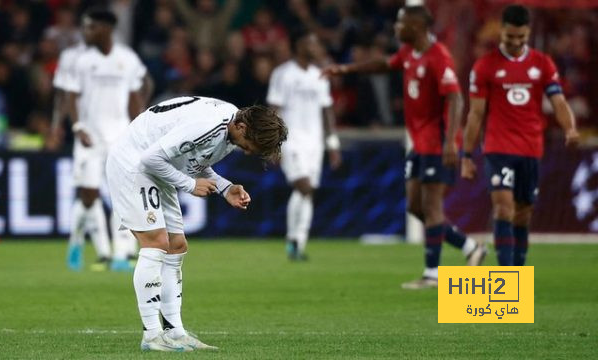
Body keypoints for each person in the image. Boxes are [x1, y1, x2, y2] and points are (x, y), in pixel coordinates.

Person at [105, 96, 287, 351]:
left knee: (176, 245)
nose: (247, 151)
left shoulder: (230, 126)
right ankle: (152, 335)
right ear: (243, 128)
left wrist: (225, 188)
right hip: (134, 163)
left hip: (157, 166)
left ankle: (175, 332)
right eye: (249, 145)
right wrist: (189, 185)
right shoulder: (210, 125)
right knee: (156, 242)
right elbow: (150, 158)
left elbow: (194, 161)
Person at [322, 5, 486, 289]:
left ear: (417, 27)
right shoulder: (410, 53)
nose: (396, 28)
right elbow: (385, 64)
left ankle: (432, 274)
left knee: (432, 207)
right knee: (415, 205)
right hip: (419, 144)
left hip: (438, 144)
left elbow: (456, 99)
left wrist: (450, 143)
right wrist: (347, 68)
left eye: (401, 24)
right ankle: (470, 246)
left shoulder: (439, 57)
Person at [461, 4, 579, 266]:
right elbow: (476, 114)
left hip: (530, 148)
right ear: (501, 32)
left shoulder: (542, 63)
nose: (515, 42)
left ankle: (518, 268)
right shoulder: (485, 66)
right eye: (509, 37)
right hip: (497, 147)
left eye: (521, 37)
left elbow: (558, 101)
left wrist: (569, 128)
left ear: (528, 33)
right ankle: (506, 275)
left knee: (523, 213)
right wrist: (467, 154)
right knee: (503, 207)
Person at [63, 8, 152, 271]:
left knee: (123, 195)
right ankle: (77, 240)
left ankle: (122, 253)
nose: (86, 32)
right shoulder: (80, 61)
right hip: (89, 137)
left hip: (119, 138)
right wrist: (77, 126)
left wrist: (139, 129)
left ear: (106, 29)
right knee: (88, 196)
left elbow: (136, 94)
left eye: (91, 27)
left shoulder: (127, 58)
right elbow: (71, 95)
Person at [267, 29, 341, 261]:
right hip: (291, 140)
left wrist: (333, 144)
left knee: (308, 194)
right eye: (312, 43)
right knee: (304, 187)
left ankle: (297, 243)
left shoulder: (320, 75)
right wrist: (272, 144)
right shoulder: (283, 74)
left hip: (315, 143)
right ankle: (294, 239)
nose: (316, 48)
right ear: (299, 46)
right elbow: (274, 110)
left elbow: (327, 110)